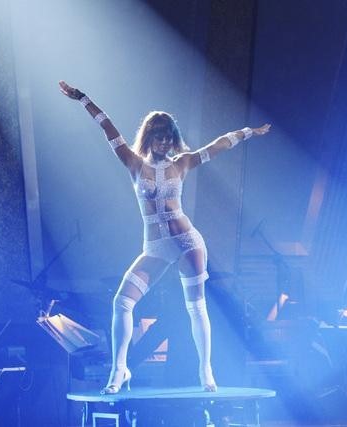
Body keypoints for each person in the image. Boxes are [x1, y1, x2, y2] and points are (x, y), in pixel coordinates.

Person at [59, 80, 270, 394]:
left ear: (172, 139)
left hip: (187, 242)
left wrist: (248, 132)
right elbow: (108, 129)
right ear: (150, 137)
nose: (162, 141)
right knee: (121, 302)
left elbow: (217, 145)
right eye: (158, 135)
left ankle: (206, 372)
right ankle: (120, 370)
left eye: (167, 136)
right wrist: (84, 98)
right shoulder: (133, 164)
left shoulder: (182, 163)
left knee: (196, 307)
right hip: (155, 248)